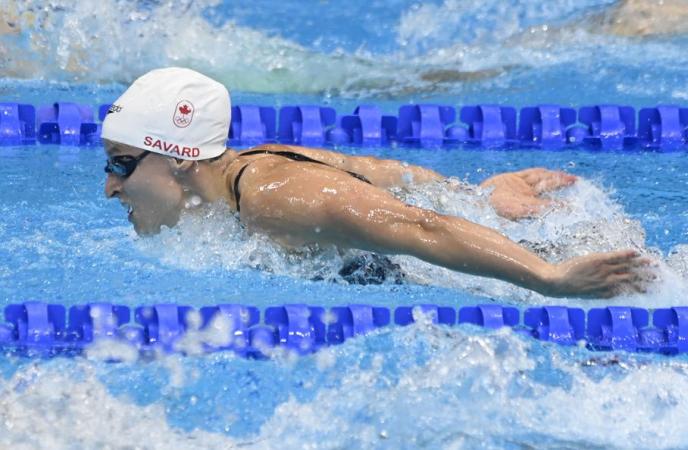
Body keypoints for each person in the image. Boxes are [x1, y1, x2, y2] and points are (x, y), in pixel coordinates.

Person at [102, 67, 651, 299]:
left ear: (178, 158)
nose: (110, 186)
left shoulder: (274, 198)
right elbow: (386, 174)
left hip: (517, 268)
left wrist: (548, 276)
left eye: (122, 163)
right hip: (493, 238)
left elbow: (420, 225)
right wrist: (482, 195)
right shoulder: (253, 163)